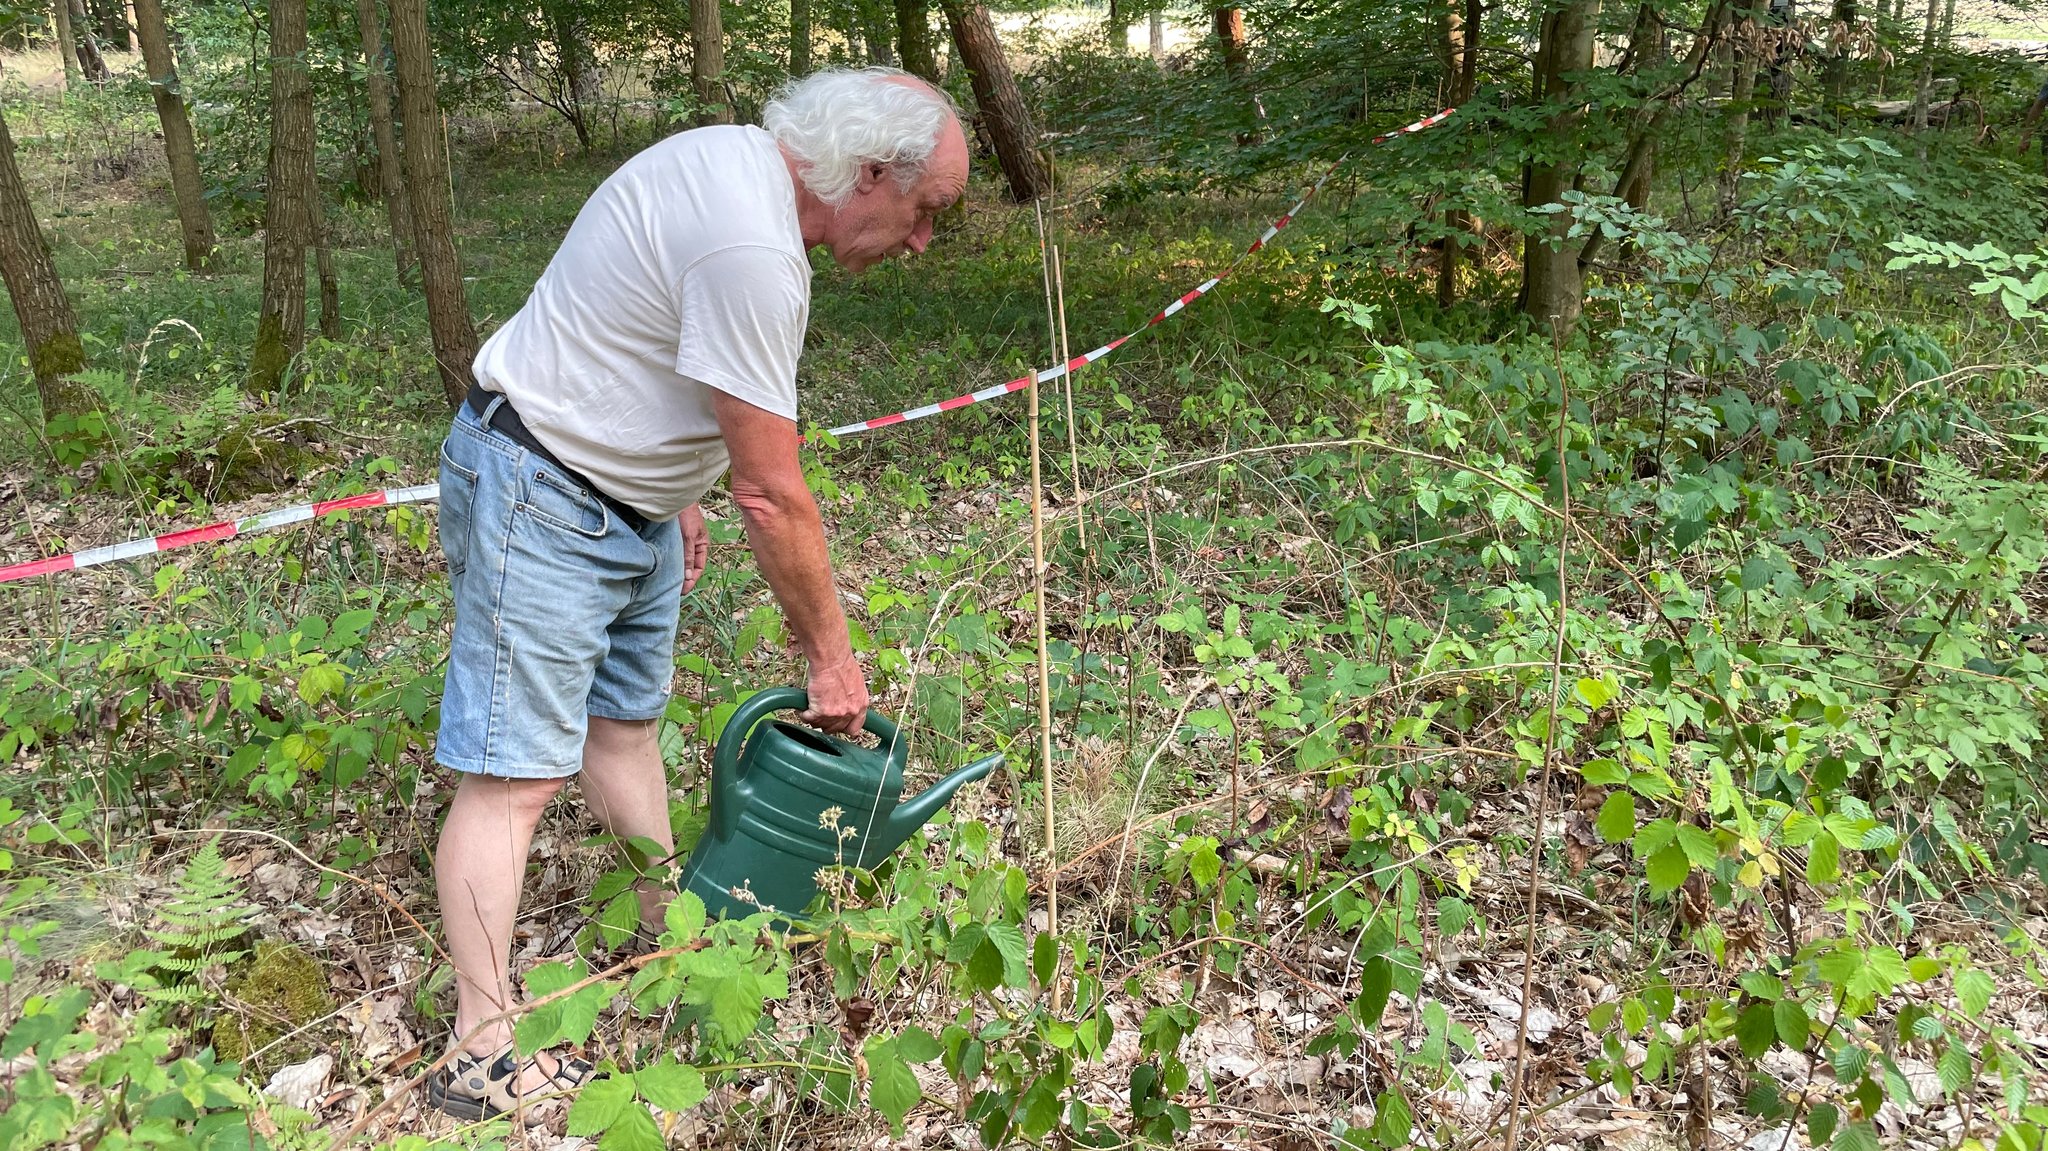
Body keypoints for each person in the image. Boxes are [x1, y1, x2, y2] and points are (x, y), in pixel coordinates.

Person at [423, 67, 970, 1121]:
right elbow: (775, 489)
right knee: (511, 776)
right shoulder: (753, 246)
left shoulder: (729, 166)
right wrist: (830, 657)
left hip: (623, 497)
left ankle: (661, 934)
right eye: (924, 213)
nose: (919, 242)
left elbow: (625, 318)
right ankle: (480, 1049)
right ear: (867, 174)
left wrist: (673, 480)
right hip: (544, 490)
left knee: (624, 727)